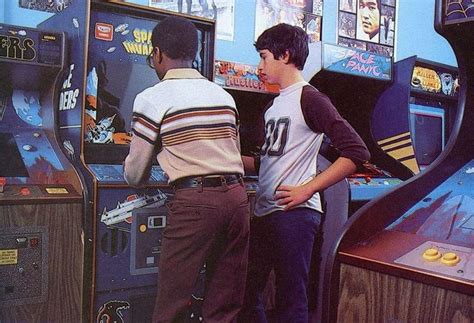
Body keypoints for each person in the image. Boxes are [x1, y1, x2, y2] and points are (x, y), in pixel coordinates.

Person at [238, 23, 370, 323]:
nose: (260, 66)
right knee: (248, 291)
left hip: (294, 215)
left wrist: (308, 189)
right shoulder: (274, 106)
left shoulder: (310, 98)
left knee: (291, 300)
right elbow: (269, 163)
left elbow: (357, 152)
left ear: (284, 55)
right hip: (267, 212)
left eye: (264, 57)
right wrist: (228, 158)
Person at [123, 16, 250, 323]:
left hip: (196, 203)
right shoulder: (223, 96)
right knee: (224, 303)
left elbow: (136, 173)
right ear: (194, 53)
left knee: (173, 304)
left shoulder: (152, 98)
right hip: (237, 198)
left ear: (156, 54)